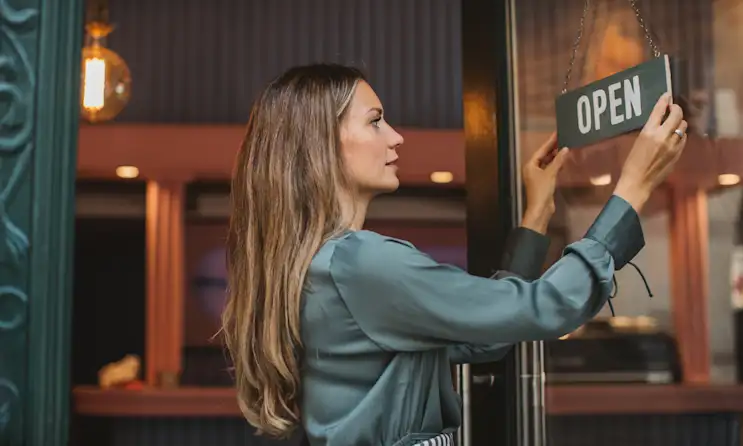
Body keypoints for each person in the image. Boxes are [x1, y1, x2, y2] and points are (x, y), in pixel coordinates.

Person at [222, 63, 687, 446]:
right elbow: (545, 307)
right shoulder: (361, 263)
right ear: (321, 141)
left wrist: (536, 216)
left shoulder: (319, 266)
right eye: (375, 120)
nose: (396, 137)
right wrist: (631, 190)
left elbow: (485, 336)